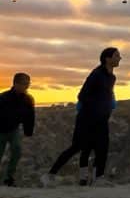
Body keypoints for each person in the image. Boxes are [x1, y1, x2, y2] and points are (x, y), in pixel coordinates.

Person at [42, 47, 120, 188]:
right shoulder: (96, 74)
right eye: (117, 56)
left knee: (102, 147)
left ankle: (98, 179)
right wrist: (97, 108)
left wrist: (109, 106)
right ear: (107, 58)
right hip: (87, 118)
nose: (120, 58)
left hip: (102, 119)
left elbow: (108, 95)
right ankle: (49, 175)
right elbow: (82, 95)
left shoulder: (112, 77)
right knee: (77, 147)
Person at [0, 73, 35, 187]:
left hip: (14, 130)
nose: (27, 86)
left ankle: (9, 177)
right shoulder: (3, 97)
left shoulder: (28, 99)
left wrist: (28, 132)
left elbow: (30, 116)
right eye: (24, 84)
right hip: (0, 130)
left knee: (17, 150)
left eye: (28, 84)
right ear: (16, 84)